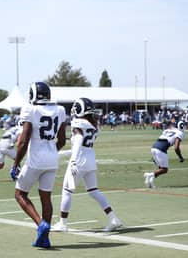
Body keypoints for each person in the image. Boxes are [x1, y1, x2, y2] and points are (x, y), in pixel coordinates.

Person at [51, 98, 122, 233]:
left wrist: (72, 160)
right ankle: (113, 218)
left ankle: (62, 223)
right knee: (94, 191)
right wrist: (62, 154)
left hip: (79, 161)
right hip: (90, 159)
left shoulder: (78, 123)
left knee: (67, 191)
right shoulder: (93, 125)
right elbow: (82, 146)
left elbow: (78, 140)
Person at [12, 82, 67, 249]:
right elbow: (63, 140)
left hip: (36, 160)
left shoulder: (30, 109)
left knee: (20, 194)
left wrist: (15, 164)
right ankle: (45, 239)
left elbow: (23, 141)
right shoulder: (60, 109)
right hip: (52, 159)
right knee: (46, 197)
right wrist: (50, 151)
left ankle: (41, 224)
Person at [144, 121, 186, 188]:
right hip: (161, 149)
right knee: (164, 169)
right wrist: (180, 157)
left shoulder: (169, 130)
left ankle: (150, 181)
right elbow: (176, 147)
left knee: (160, 168)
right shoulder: (180, 133)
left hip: (154, 147)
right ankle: (149, 175)